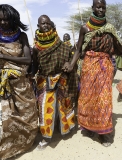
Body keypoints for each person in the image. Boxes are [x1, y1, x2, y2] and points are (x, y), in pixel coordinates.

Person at [63, 0, 122, 147]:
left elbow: (121, 48)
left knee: (104, 99)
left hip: (105, 66)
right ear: (92, 8)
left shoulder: (109, 28)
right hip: (88, 67)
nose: (100, 9)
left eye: (103, 7)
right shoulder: (84, 28)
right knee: (89, 98)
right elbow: (79, 49)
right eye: (98, 7)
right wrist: (71, 65)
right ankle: (90, 126)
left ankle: (104, 133)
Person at [32, 15, 78, 150]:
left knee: (64, 105)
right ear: (38, 26)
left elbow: (71, 59)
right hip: (44, 80)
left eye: (47, 23)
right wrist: (29, 73)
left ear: (51, 25)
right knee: (45, 108)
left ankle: (65, 128)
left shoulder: (61, 45)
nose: (45, 25)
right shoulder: (36, 48)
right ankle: (46, 137)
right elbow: (35, 66)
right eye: (42, 23)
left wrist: (69, 64)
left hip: (62, 78)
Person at [0, 4, 38, 159]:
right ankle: (7, 148)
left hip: (21, 83)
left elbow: (27, 60)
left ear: (13, 18)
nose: (3, 23)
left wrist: (4, 57)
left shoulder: (21, 36)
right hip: (4, 83)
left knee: (27, 114)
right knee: (7, 117)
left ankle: (24, 143)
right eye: (0, 20)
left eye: (6, 19)